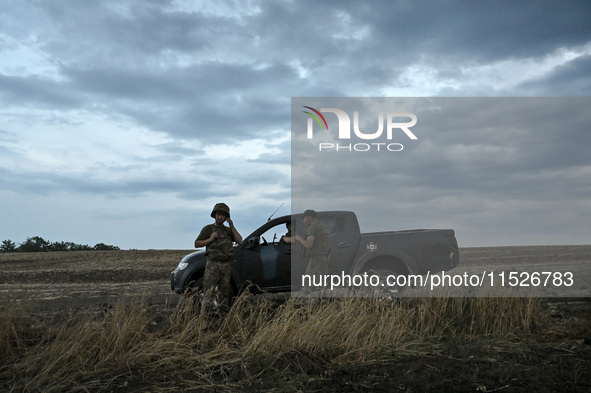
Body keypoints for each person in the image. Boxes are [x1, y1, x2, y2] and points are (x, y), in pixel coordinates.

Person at [194, 202, 242, 315]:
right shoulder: (208, 229)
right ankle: (205, 319)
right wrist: (210, 239)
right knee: (209, 292)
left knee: (224, 293)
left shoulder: (228, 231)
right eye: (218, 214)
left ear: (226, 217)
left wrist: (232, 226)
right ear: (215, 215)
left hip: (225, 265)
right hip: (213, 264)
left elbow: (240, 241)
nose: (220, 217)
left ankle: (223, 319)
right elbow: (197, 244)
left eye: (223, 215)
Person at [294, 209, 330, 277]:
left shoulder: (313, 227)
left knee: (308, 284)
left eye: (304, 218)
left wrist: (299, 239)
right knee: (319, 284)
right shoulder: (321, 227)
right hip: (323, 259)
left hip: (316, 260)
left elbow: (308, 244)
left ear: (309, 217)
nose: (304, 221)